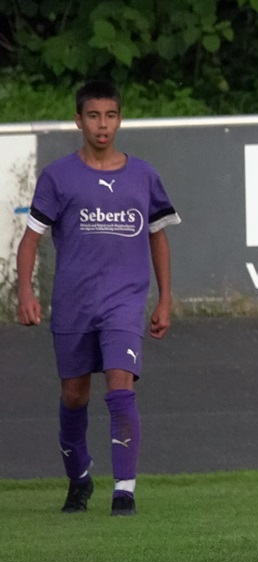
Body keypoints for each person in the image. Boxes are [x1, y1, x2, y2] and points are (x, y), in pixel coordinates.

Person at [16, 79, 181, 516]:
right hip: (73, 303)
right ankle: (79, 478)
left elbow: (158, 237)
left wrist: (165, 299)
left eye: (110, 115)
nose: (102, 125)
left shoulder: (143, 175)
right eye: (93, 116)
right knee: (74, 395)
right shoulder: (58, 176)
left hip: (123, 303)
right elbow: (30, 239)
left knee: (120, 383)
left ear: (120, 119)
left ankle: (124, 489)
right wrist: (25, 291)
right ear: (78, 120)